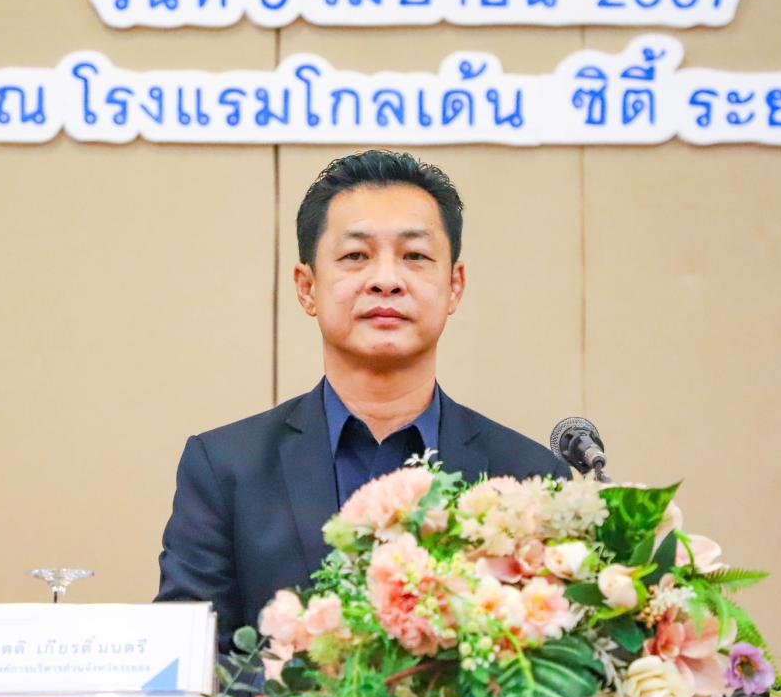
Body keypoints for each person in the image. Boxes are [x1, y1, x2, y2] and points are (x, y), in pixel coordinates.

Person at [155, 150, 569, 650]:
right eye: (356, 256)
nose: (386, 279)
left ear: (454, 286)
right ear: (307, 287)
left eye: (415, 256)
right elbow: (189, 662)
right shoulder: (226, 468)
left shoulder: (528, 478)